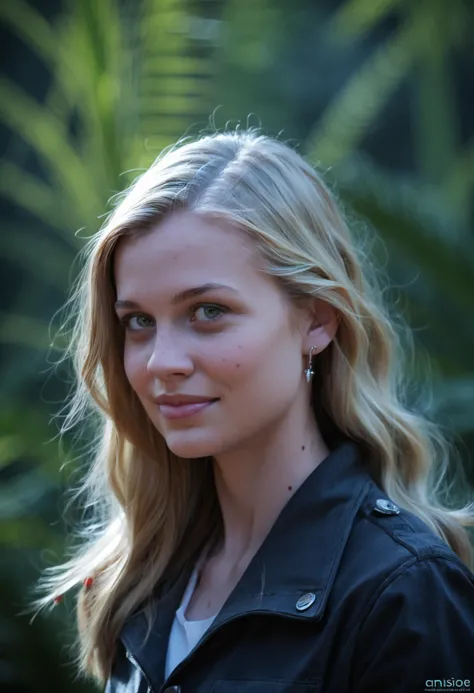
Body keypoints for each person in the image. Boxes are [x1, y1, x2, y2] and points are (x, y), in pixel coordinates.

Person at [34, 129, 474, 693]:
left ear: (316, 320)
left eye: (208, 311)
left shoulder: (403, 593)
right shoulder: (139, 580)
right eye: (138, 321)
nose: (161, 361)